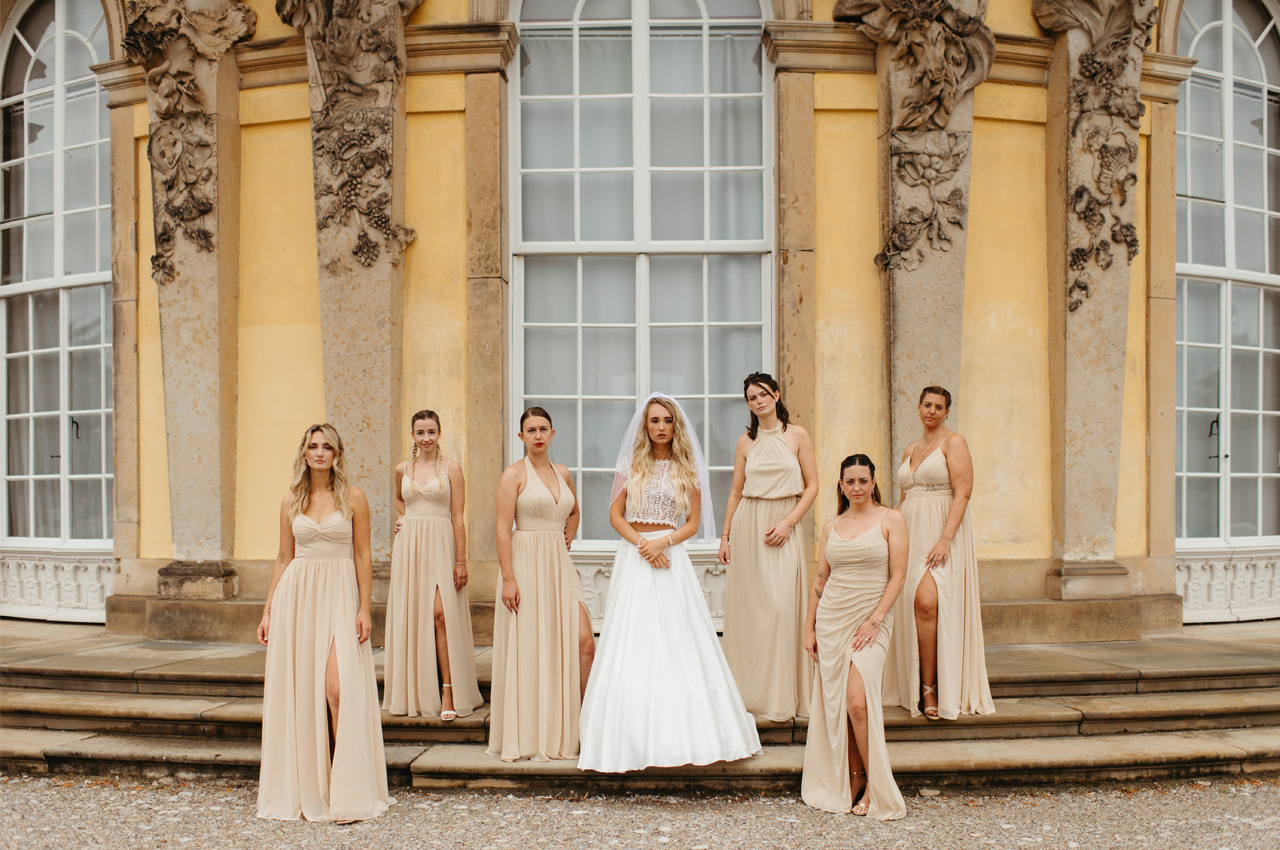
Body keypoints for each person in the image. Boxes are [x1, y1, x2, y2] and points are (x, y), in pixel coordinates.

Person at [578, 393, 762, 773]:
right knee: (633, 641)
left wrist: (663, 542)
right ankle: (627, 739)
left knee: (679, 640)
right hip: (636, 557)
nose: (661, 427)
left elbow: (693, 523)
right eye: (654, 421)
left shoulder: (686, 467)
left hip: (670, 557)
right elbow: (615, 515)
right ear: (645, 426)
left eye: (667, 421)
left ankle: (685, 736)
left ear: (675, 425)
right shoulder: (630, 464)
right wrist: (644, 545)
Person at [256, 424, 393, 822]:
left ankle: (346, 790)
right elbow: (283, 558)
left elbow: (363, 555)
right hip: (297, 598)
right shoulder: (290, 501)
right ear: (304, 453)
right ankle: (311, 788)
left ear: (337, 454)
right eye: (313, 446)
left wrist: (365, 608)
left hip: (340, 594)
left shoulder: (353, 498)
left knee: (337, 688)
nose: (319, 452)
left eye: (327, 447)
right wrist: (267, 611)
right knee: (300, 692)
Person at [801, 454, 907, 819]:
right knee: (840, 706)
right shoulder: (831, 526)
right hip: (832, 621)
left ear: (873, 483)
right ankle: (853, 778)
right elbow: (821, 579)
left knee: (858, 703)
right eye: (850, 481)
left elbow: (898, 576)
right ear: (841, 485)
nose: (857, 487)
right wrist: (809, 627)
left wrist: (875, 620)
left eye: (863, 480)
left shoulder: (891, 519)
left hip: (871, 622)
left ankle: (875, 785)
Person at [487, 407, 595, 761]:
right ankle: (535, 733)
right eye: (531, 430)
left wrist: (568, 535)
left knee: (584, 642)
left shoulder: (562, 472)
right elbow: (502, 529)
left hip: (558, 565)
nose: (537, 435)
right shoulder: (513, 475)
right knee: (534, 646)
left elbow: (574, 511)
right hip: (525, 564)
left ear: (552, 433)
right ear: (521, 436)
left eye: (543, 429)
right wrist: (508, 579)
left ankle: (586, 727)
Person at [883, 386, 994, 720]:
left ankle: (931, 688)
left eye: (939, 406)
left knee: (928, 602)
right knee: (909, 606)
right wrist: (887, 535)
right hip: (910, 531)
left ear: (947, 412)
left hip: (941, 531)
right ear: (918, 408)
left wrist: (945, 539)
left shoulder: (954, 442)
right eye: (927, 405)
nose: (931, 411)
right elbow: (904, 499)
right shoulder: (910, 449)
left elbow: (963, 492)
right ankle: (914, 683)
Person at [719, 372, 819, 722]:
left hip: (784, 523)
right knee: (752, 612)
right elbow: (736, 492)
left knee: (780, 607)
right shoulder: (745, 442)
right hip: (749, 526)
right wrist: (725, 536)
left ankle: (782, 696)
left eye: (763, 394)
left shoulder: (797, 435)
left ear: (776, 395)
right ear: (748, 404)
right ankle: (751, 693)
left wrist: (789, 522)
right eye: (752, 397)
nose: (758, 401)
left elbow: (812, 486)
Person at [382, 409, 481, 720]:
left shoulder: (452, 469)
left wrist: (461, 561)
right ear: (412, 435)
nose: (426, 438)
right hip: (409, 548)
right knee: (413, 616)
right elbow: (400, 500)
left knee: (441, 614)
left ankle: (449, 689)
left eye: (431, 432)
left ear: (439, 434)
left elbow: (457, 517)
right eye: (420, 432)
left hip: (442, 544)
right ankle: (415, 691)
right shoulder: (402, 469)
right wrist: (406, 518)